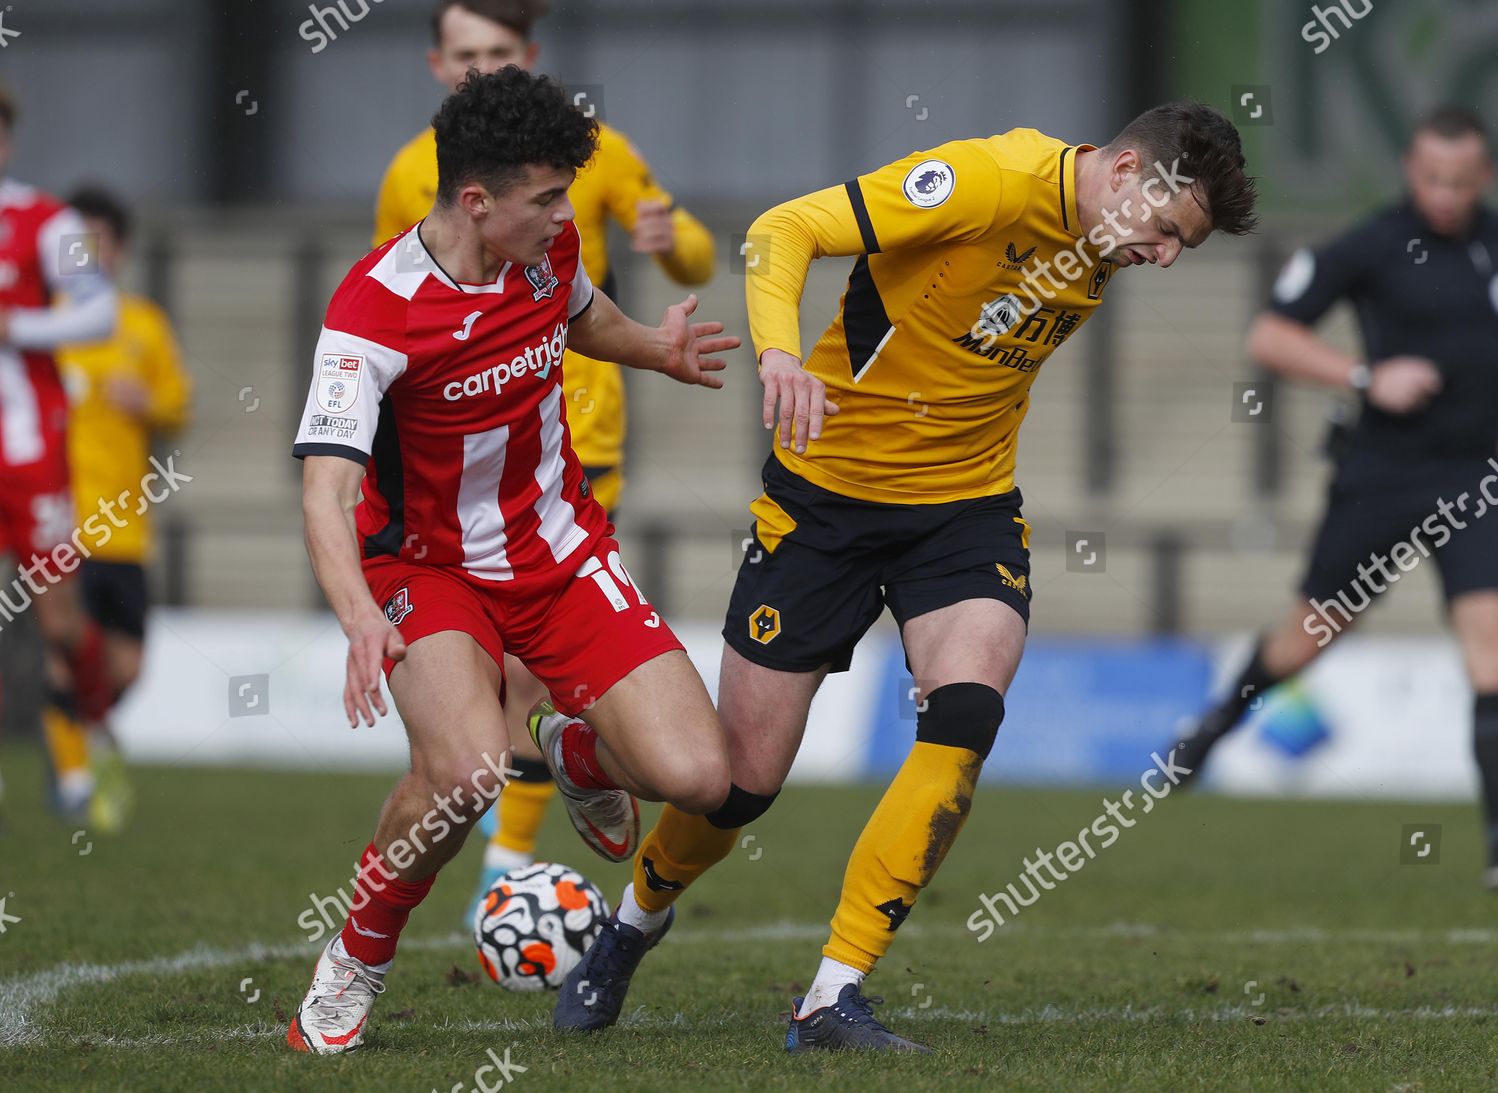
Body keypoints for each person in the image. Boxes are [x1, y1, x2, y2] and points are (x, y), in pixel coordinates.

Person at [555, 102, 1260, 1051]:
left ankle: (832, 995)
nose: (1166, 258)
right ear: (1128, 168)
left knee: (967, 713)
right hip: (825, 505)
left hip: (964, 513)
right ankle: (630, 923)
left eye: (1184, 248)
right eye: (1170, 232)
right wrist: (776, 354)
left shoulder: (1106, 229)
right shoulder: (986, 182)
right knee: (737, 786)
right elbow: (782, 229)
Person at [287, 67, 737, 1055]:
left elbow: (581, 315)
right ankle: (353, 963)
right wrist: (363, 614)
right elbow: (324, 487)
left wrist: (656, 351)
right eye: (545, 198)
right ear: (476, 200)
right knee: (465, 772)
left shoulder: (548, 248)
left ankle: (572, 748)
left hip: (559, 549)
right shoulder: (375, 309)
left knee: (702, 776)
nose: (565, 215)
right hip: (424, 569)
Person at [373, 0, 717, 926]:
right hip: (450, 473)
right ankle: (510, 838)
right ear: (437, 62)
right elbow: (394, 325)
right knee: (487, 709)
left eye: (498, 53)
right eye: (464, 53)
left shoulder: (589, 153)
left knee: (534, 678)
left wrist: (667, 246)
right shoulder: (414, 177)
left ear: (527, 54)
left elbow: (691, 251)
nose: (480, 69)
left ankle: (506, 861)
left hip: (572, 442)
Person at [1169, 106, 1498, 881]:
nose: (1446, 193)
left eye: (1461, 180)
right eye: (1432, 178)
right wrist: (1364, 377)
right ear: (1412, 173)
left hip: (1474, 481)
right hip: (1381, 475)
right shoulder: (1374, 244)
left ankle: (1495, 848)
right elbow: (1270, 335)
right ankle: (1219, 719)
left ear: (1482, 176)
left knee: (1492, 650)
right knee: (1309, 638)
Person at [54, 186, 192, 832]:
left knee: (125, 665)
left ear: (120, 248)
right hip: (62, 524)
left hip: (128, 528)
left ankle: (88, 735)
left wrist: (151, 404)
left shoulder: (143, 324)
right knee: (66, 648)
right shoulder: (43, 322)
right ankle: (77, 780)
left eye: (99, 239)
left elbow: (179, 407)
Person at [0, 86, 119, 822]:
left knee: (59, 623)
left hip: (28, 451)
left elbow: (99, 309)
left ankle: (91, 732)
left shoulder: (52, 222)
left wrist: (18, 325)